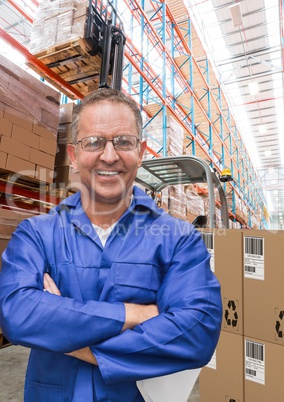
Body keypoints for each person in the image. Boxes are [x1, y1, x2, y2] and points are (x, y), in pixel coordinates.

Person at [0, 88, 222, 402]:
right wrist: (134, 314)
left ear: (141, 151)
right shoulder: (37, 234)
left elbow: (197, 333)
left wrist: (75, 343)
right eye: (94, 142)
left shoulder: (178, 239)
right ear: (74, 156)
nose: (109, 155)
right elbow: (17, 314)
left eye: (123, 141)